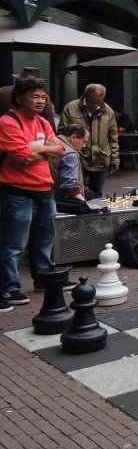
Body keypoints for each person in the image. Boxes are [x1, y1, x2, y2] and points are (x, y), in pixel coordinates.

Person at [0, 75, 65, 309]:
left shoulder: (42, 122)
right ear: (19, 98)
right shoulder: (8, 122)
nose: (41, 101)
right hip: (17, 191)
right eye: (35, 97)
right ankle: (8, 289)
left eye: (43, 97)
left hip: (45, 189)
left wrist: (40, 149)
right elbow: (23, 158)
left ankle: (43, 279)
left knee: (45, 240)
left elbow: (61, 150)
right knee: (14, 243)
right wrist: (47, 149)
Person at [61, 84, 119, 196]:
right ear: (85, 96)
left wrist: (114, 159)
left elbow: (113, 137)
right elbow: (62, 135)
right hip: (79, 158)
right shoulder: (71, 108)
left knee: (97, 194)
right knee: (79, 192)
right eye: (92, 101)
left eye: (99, 102)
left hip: (100, 159)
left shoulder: (108, 111)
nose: (96, 105)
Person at [50, 124, 95, 215]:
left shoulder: (54, 143)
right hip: (58, 200)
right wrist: (85, 205)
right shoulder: (70, 154)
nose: (84, 146)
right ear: (73, 138)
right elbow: (71, 187)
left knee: (89, 193)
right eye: (84, 142)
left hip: (48, 195)